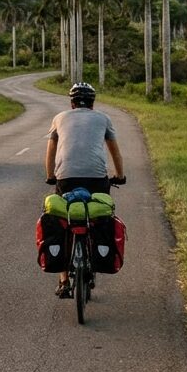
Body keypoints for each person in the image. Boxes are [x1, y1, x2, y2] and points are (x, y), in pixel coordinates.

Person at [44, 82, 125, 298]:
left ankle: (63, 281)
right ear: (93, 103)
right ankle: (97, 256)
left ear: (71, 103)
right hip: (97, 179)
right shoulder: (103, 118)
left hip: (66, 178)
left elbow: (51, 149)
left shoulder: (59, 118)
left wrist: (51, 176)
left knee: (61, 221)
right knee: (99, 217)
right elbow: (114, 150)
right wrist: (120, 175)